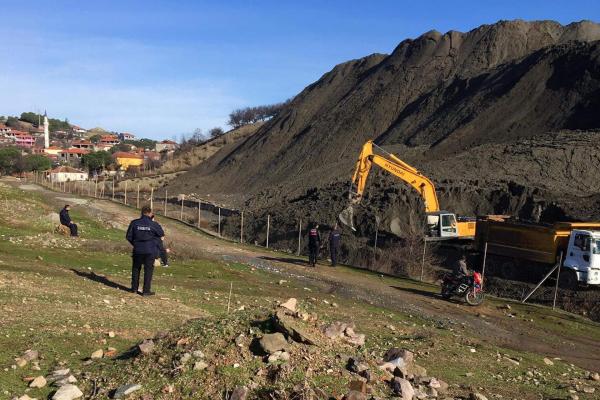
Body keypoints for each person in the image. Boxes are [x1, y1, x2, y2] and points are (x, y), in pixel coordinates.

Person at [126, 206, 164, 296]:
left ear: (141, 213)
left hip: (138, 249)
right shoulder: (154, 224)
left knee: (136, 269)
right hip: (150, 250)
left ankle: (134, 289)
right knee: (148, 270)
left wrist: (135, 244)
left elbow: (128, 236)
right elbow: (161, 233)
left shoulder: (134, 223)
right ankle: (146, 291)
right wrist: (153, 221)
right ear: (150, 213)